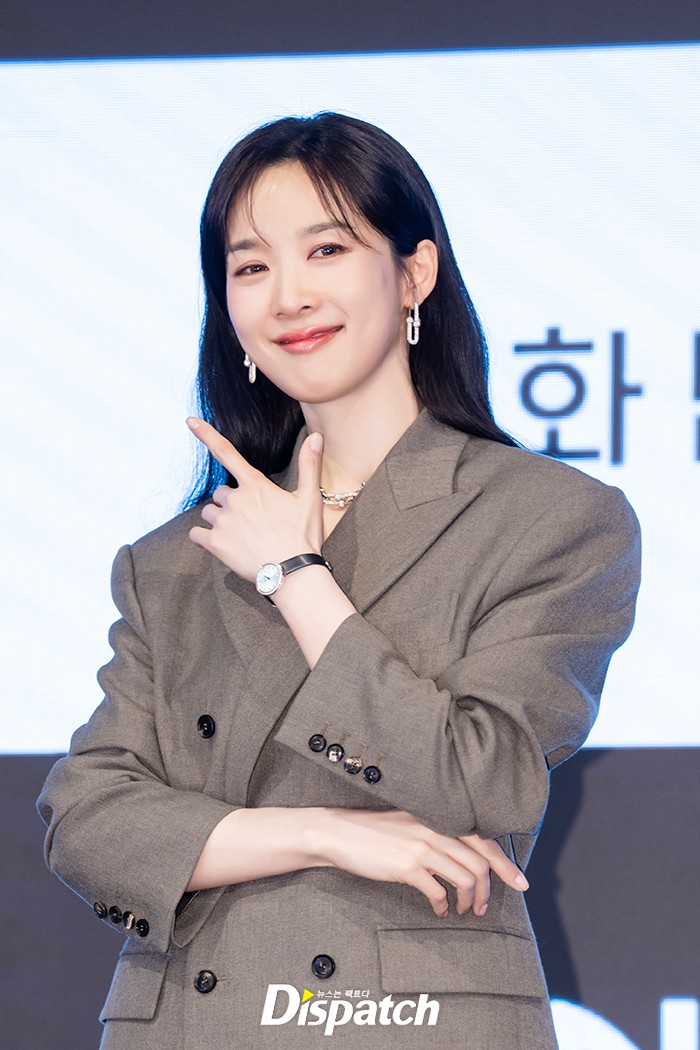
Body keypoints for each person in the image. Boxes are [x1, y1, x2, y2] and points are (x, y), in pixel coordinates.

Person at [37, 112, 641, 1049]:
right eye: (250, 267)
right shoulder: (175, 557)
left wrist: (296, 576)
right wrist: (326, 832)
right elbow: (85, 817)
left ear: (414, 274)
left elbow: (481, 785)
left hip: (404, 1020)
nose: (289, 296)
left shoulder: (548, 519)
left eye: (326, 249)